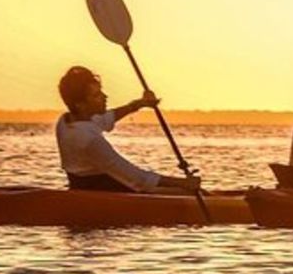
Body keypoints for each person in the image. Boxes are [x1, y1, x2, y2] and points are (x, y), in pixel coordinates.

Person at [55, 66, 202, 194]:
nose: (105, 97)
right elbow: (137, 178)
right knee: (188, 192)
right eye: (97, 95)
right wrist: (183, 183)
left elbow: (106, 118)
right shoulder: (89, 140)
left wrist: (138, 104)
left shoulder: (65, 122)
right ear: (80, 104)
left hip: (84, 188)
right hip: (109, 192)